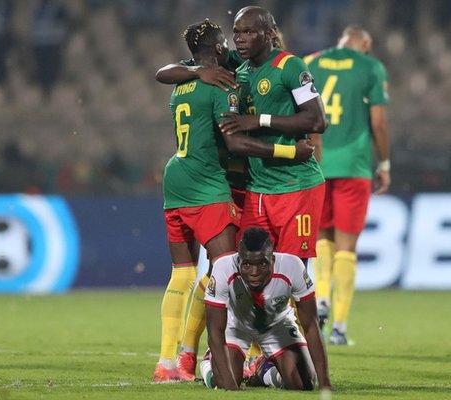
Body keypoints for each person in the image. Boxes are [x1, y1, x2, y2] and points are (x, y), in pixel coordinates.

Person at [154, 19, 314, 383]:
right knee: (226, 272)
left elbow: (165, 72)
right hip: (227, 184)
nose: (236, 44)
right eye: (232, 38)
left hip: (184, 181)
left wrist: (197, 70)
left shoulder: (192, 79)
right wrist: (291, 151)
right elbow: (235, 141)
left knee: (192, 272)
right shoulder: (226, 78)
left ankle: (179, 359)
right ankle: (226, 355)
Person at [219, 6, 327, 265]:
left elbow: (317, 120)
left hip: (297, 184)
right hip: (258, 188)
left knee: (291, 271)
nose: (240, 38)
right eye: (236, 32)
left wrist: (259, 120)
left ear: (268, 34)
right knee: (245, 267)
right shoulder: (240, 73)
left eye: (248, 32)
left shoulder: (289, 66)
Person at [303, 26, 391, 345]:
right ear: (364, 43)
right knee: (346, 248)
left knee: (322, 240)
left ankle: (322, 297)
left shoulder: (309, 62)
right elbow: (379, 123)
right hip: (354, 166)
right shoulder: (370, 67)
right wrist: (383, 163)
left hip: (317, 164)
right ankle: (338, 326)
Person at [201, 227, 332, 391]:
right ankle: (209, 361)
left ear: (273, 258)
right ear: (238, 259)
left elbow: (311, 325)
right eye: (247, 264)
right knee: (223, 381)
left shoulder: (293, 267)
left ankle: (263, 370)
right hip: (236, 326)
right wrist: (229, 386)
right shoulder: (223, 267)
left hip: (277, 325)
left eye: (262, 264)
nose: (254, 272)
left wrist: (325, 382)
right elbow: (215, 331)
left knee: (303, 383)